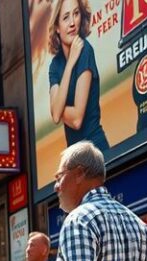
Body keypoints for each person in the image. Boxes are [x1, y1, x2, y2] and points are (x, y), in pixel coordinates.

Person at [48, 0, 108, 150]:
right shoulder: (55, 65)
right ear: (57, 27)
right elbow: (55, 116)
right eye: (66, 17)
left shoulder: (86, 51)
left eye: (76, 14)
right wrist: (70, 64)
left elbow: (76, 120)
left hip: (95, 148)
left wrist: (58, 105)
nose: (72, 23)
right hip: (74, 154)